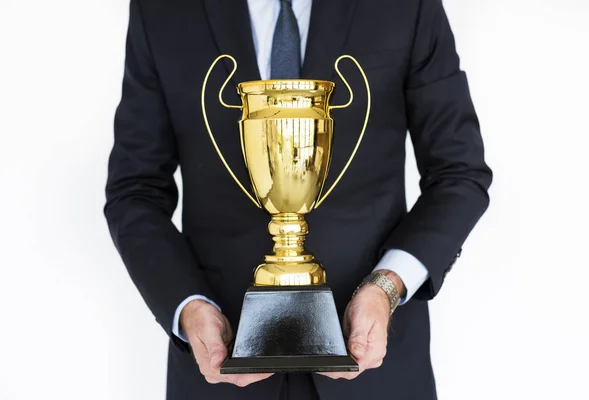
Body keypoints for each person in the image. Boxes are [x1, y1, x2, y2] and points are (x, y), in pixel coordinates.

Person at [104, 0, 492, 399]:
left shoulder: (405, 6)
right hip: (220, 375)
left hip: (377, 375)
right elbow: (135, 191)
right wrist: (188, 307)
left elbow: (459, 174)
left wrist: (387, 287)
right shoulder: (162, 10)